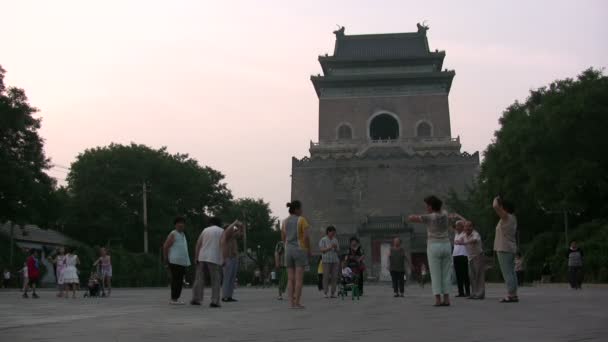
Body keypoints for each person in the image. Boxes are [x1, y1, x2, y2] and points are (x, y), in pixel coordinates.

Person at [408, 195, 454, 307]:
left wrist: (416, 216)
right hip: (446, 245)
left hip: (434, 245)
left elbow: (411, 218)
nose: (426, 207)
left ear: (431, 206)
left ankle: (438, 299)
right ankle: (446, 298)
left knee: (435, 273)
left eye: (427, 205)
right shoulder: (445, 214)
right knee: (446, 273)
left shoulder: (429, 217)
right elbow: (446, 213)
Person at [192, 218, 234, 308]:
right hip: (214, 258)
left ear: (210, 223)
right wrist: (224, 258)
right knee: (215, 280)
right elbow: (223, 244)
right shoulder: (221, 231)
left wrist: (196, 257)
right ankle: (215, 301)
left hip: (202, 257)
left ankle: (196, 299)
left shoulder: (205, 230)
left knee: (199, 279)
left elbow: (198, 244)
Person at [281, 200, 311, 309]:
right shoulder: (302, 220)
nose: (302, 210)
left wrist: (288, 245)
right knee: (299, 278)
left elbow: (283, 238)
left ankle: (291, 303)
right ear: (297, 209)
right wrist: (308, 250)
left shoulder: (284, 221)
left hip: (288, 250)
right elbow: (306, 237)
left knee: (290, 278)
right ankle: (297, 302)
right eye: (301, 208)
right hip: (299, 250)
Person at [493, 196, 519, 303]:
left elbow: (495, 206)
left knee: (507, 272)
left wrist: (496, 198)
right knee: (512, 272)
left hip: (504, 248)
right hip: (510, 247)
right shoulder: (513, 218)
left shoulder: (506, 217)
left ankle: (511, 295)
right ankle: (514, 294)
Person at [163, 216, 191, 305]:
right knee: (176, 280)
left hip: (182, 262)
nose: (181, 225)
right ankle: (174, 299)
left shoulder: (183, 235)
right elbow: (166, 246)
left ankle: (176, 298)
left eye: (182, 223)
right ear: (175, 225)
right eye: (179, 223)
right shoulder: (173, 234)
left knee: (179, 281)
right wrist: (166, 258)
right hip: (174, 261)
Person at [456, 221, 485, 299]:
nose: (467, 228)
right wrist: (459, 241)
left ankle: (480, 294)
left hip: (478, 256)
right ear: (464, 228)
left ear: (473, 227)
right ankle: (474, 293)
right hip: (470, 257)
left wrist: (464, 242)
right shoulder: (464, 234)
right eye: (466, 226)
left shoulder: (476, 234)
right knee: (471, 276)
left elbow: (474, 240)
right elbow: (457, 241)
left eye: (469, 226)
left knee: (479, 275)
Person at [221, 221, 245, 302]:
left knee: (232, 278)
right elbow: (228, 230)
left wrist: (241, 227)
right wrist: (235, 223)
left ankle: (229, 296)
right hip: (227, 258)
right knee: (227, 278)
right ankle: (224, 296)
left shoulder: (233, 236)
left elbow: (241, 234)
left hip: (234, 258)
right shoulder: (225, 235)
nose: (232, 230)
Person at [319, 226, 340, 298]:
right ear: (328, 232)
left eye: (334, 232)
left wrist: (335, 248)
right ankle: (325, 292)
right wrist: (330, 247)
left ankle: (333, 293)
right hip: (326, 260)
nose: (333, 233)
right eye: (332, 232)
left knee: (334, 276)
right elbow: (322, 250)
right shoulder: (323, 240)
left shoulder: (335, 240)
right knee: (326, 276)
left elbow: (338, 251)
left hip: (335, 260)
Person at [452, 220, 471, 297]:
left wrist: (458, 217)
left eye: (458, 225)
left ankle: (467, 292)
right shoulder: (456, 234)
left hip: (463, 255)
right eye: (456, 226)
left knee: (465, 274)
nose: (456, 227)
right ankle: (460, 292)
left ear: (462, 226)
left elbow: (467, 222)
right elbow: (450, 226)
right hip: (455, 255)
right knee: (458, 275)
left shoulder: (465, 233)